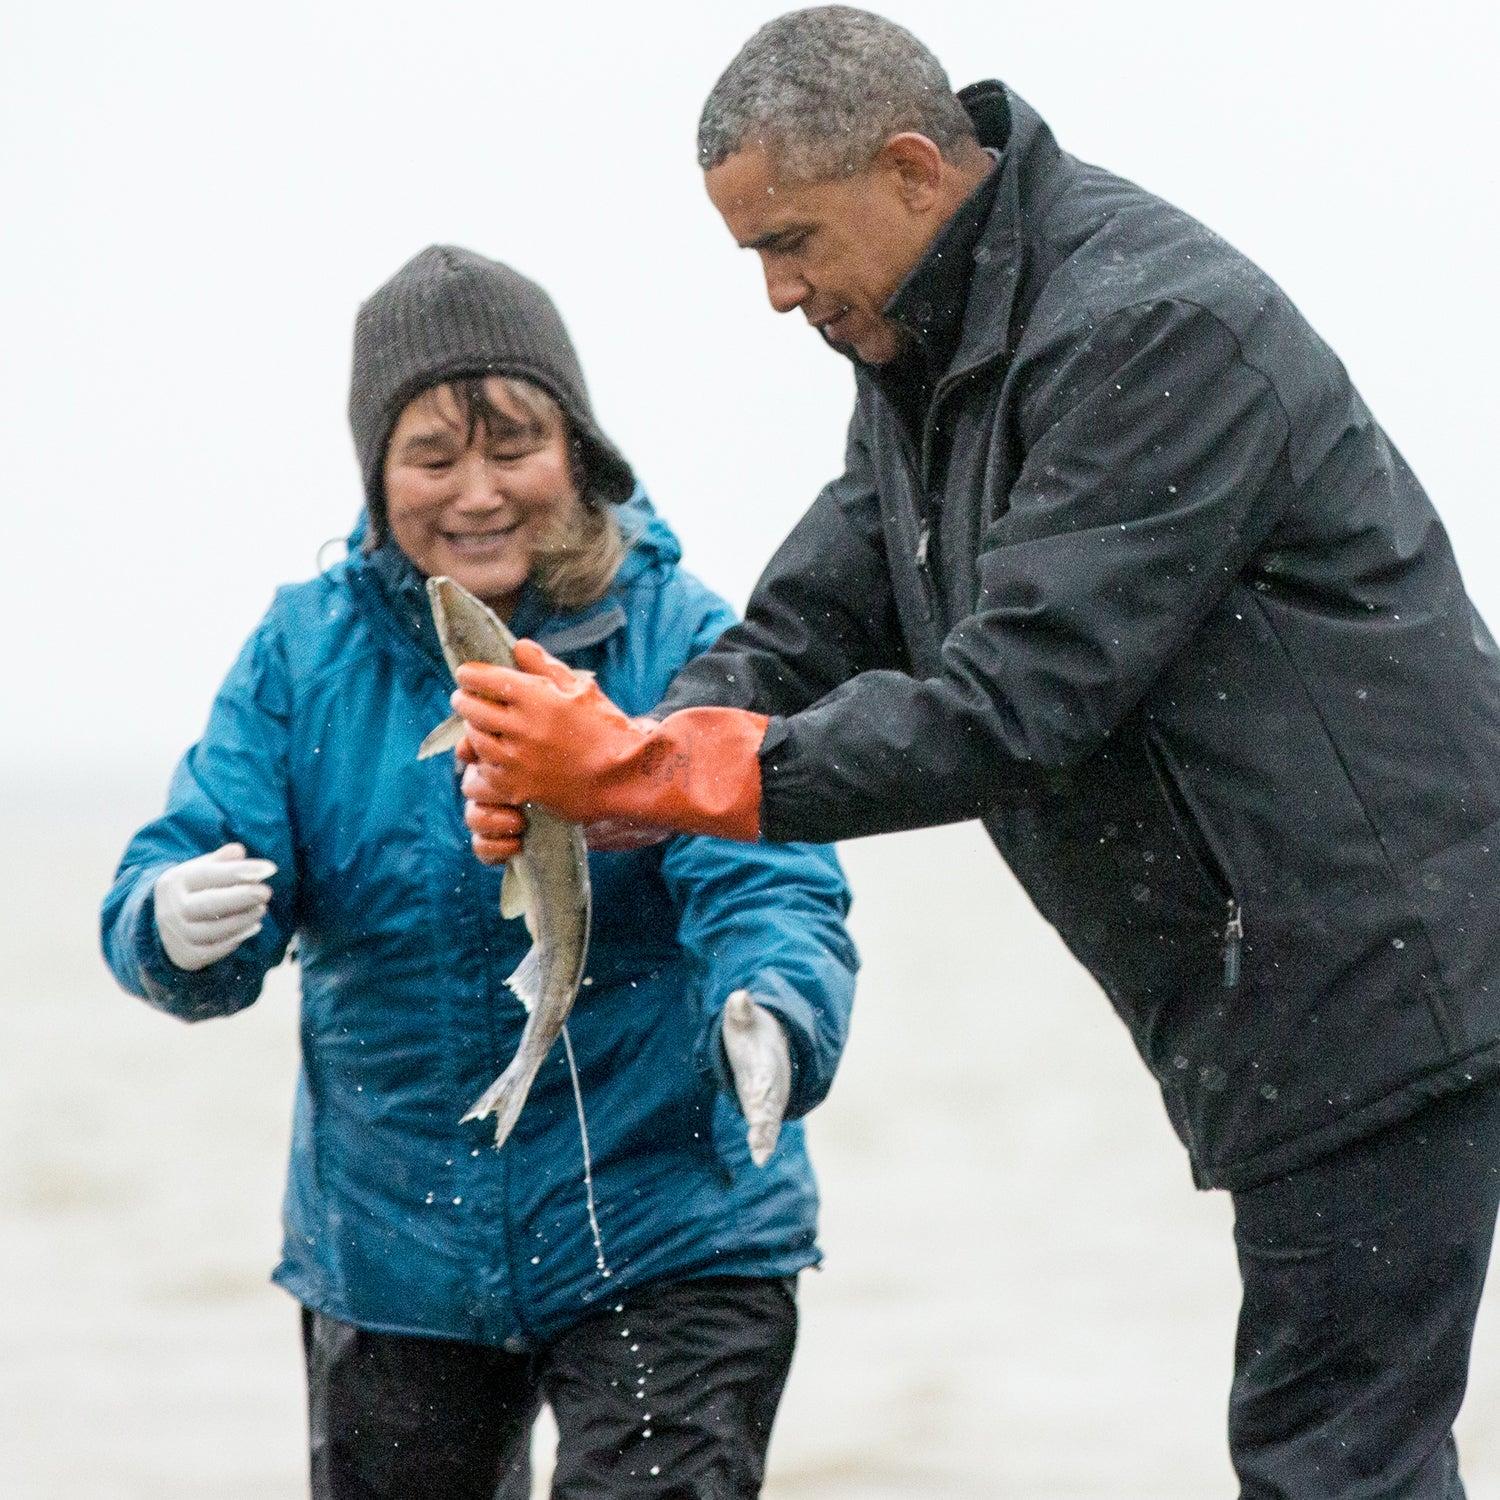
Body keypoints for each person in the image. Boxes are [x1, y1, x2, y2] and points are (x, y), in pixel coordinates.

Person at [450, 9, 1500, 1497]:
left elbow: (1019, 702)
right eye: (750, 253)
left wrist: (645, 780)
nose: (774, 293)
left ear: (909, 169)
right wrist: (619, 756)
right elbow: (819, 615)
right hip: (1285, 993)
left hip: (1391, 967)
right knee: (1344, 1448)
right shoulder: (930, 347)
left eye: (790, 242)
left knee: (1336, 1460)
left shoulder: (1147, 327)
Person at [100, 243, 858, 1500]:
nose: (478, 493)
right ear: (375, 474)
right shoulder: (305, 653)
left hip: (672, 1227)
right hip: (395, 1248)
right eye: (432, 456)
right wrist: (168, 925)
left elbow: (772, 878)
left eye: (514, 445)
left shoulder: (685, 636)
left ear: (580, 453)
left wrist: (777, 1008)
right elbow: (188, 863)